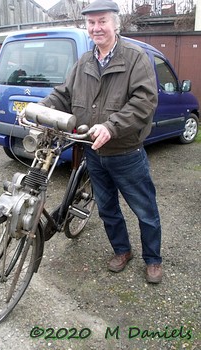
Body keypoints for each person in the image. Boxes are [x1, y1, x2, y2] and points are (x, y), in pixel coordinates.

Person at [40, 0, 163, 283]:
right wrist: (42, 109)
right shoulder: (84, 61)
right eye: (92, 23)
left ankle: (153, 259)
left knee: (145, 209)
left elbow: (145, 101)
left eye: (102, 21)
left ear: (116, 23)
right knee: (107, 208)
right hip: (92, 152)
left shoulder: (135, 56)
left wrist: (111, 126)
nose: (97, 28)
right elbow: (63, 95)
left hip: (126, 152)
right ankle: (122, 250)